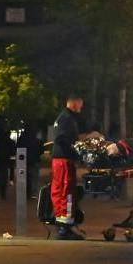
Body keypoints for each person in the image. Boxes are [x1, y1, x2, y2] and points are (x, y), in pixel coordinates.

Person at [50, 95, 86, 239]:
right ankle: (65, 227)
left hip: (59, 159)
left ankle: (61, 222)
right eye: (80, 104)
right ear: (74, 103)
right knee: (67, 191)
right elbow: (62, 139)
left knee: (59, 190)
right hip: (64, 160)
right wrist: (76, 151)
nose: (81, 107)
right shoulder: (67, 119)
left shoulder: (62, 118)